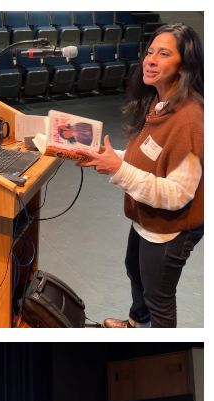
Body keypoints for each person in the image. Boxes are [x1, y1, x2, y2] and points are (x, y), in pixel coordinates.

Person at [77, 24, 204, 328]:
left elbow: (176, 194)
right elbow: (150, 158)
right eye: (150, 52)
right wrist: (110, 158)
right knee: (134, 270)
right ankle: (136, 323)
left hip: (170, 227)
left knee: (159, 298)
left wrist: (118, 169)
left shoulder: (190, 121)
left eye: (163, 54)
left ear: (184, 64)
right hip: (146, 217)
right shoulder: (160, 105)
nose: (150, 60)